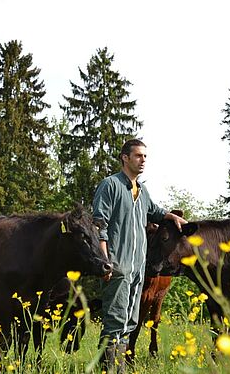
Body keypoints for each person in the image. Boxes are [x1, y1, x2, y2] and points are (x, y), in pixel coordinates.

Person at [92, 139, 187, 372]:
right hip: (117, 265)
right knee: (115, 320)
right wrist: (105, 261)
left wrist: (170, 216)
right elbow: (99, 224)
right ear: (125, 158)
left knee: (131, 322)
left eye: (145, 156)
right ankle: (108, 369)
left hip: (138, 269)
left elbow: (153, 211)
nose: (143, 160)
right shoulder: (110, 185)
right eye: (138, 156)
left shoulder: (142, 191)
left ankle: (119, 369)